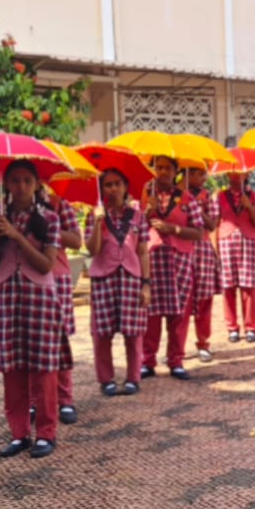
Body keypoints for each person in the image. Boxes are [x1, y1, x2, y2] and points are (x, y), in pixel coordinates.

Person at [0, 159, 65, 459]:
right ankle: (19, 433)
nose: (21, 187)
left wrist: (17, 235)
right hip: (6, 295)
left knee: (43, 368)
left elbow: (46, 265)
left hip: (39, 296)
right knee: (12, 368)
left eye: (27, 181)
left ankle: (46, 432)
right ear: (6, 184)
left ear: (36, 184)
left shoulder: (49, 218)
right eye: (15, 180)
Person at [87, 168, 152, 396]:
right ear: (102, 189)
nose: (113, 189)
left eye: (118, 184)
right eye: (108, 185)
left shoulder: (137, 217)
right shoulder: (95, 215)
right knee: (101, 333)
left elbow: (143, 251)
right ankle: (106, 379)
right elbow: (92, 249)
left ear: (125, 187)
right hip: (103, 279)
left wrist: (146, 284)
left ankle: (133, 377)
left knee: (134, 332)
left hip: (130, 278)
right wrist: (97, 223)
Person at [141, 155, 205, 379]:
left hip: (180, 260)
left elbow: (198, 232)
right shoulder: (144, 195)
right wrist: (146, 212)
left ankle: (176, 360)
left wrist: (173, 229)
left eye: (168, 168)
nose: (163, 172)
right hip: (153, 260)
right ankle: (147, 360)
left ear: (176, 171)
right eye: (159, 167)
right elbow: (133, 228)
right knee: (150, 312)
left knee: (179, 312)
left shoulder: (186, 198)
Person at [48, 193, 83, 424]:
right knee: (27, 343)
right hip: (22, 279)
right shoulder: (8, 205)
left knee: (59, 341)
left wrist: (49, 228)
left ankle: (65, 399)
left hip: (57, 276)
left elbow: (77, 241)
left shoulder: (59, 204)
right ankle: (33, 401)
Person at [219, 170, 255, 341]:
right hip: (227, 242)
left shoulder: (254, 197)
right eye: (233, 172)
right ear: (227, 174)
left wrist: (250, 207)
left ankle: (251, 327)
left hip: (248, 242)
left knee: (250, 287)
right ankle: (232, 327)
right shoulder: (220, 197)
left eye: (241, 173)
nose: (236, 176)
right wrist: (215, 250)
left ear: (246, 175)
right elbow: (215, 222)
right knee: (228, 287)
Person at [184, 165, 221, 363]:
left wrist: (197, 209)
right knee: (181, 302)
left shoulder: (207, 196)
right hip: (182, 249)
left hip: (203, 251)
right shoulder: (177, 195)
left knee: (204, 300)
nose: (196, 177)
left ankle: (203, 343)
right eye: (191, 172)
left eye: (200, 173)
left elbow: (212, 224)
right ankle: (176, 348)